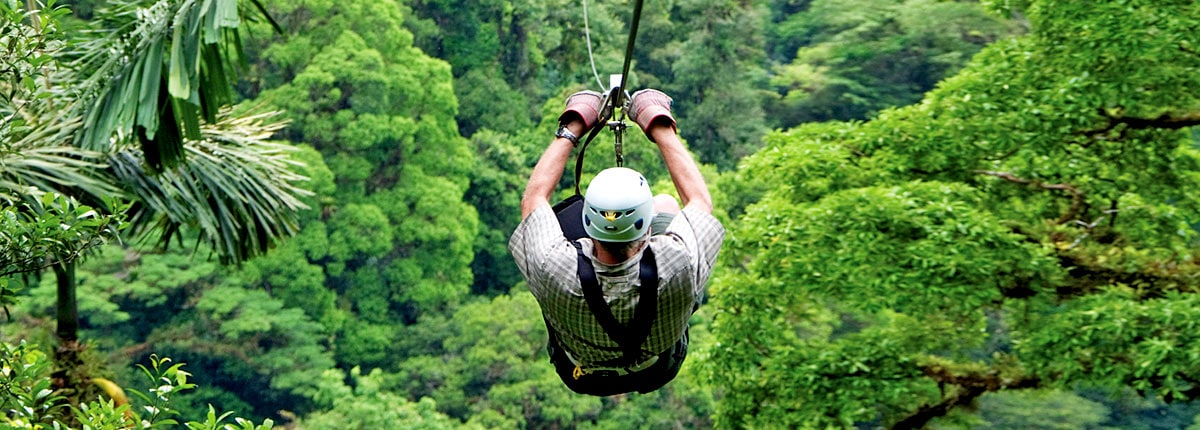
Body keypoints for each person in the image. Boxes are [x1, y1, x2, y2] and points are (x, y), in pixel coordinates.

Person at [508, 89, 724, 396]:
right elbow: (699, 201)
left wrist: (573, 127)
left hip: (581, 373)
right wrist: (657, 122)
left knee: (551, 223)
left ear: (588, 224)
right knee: (666, 202)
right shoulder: (679, 263)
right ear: (647, 230)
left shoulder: (554, 266)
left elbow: (534, 200)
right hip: (656, 367)